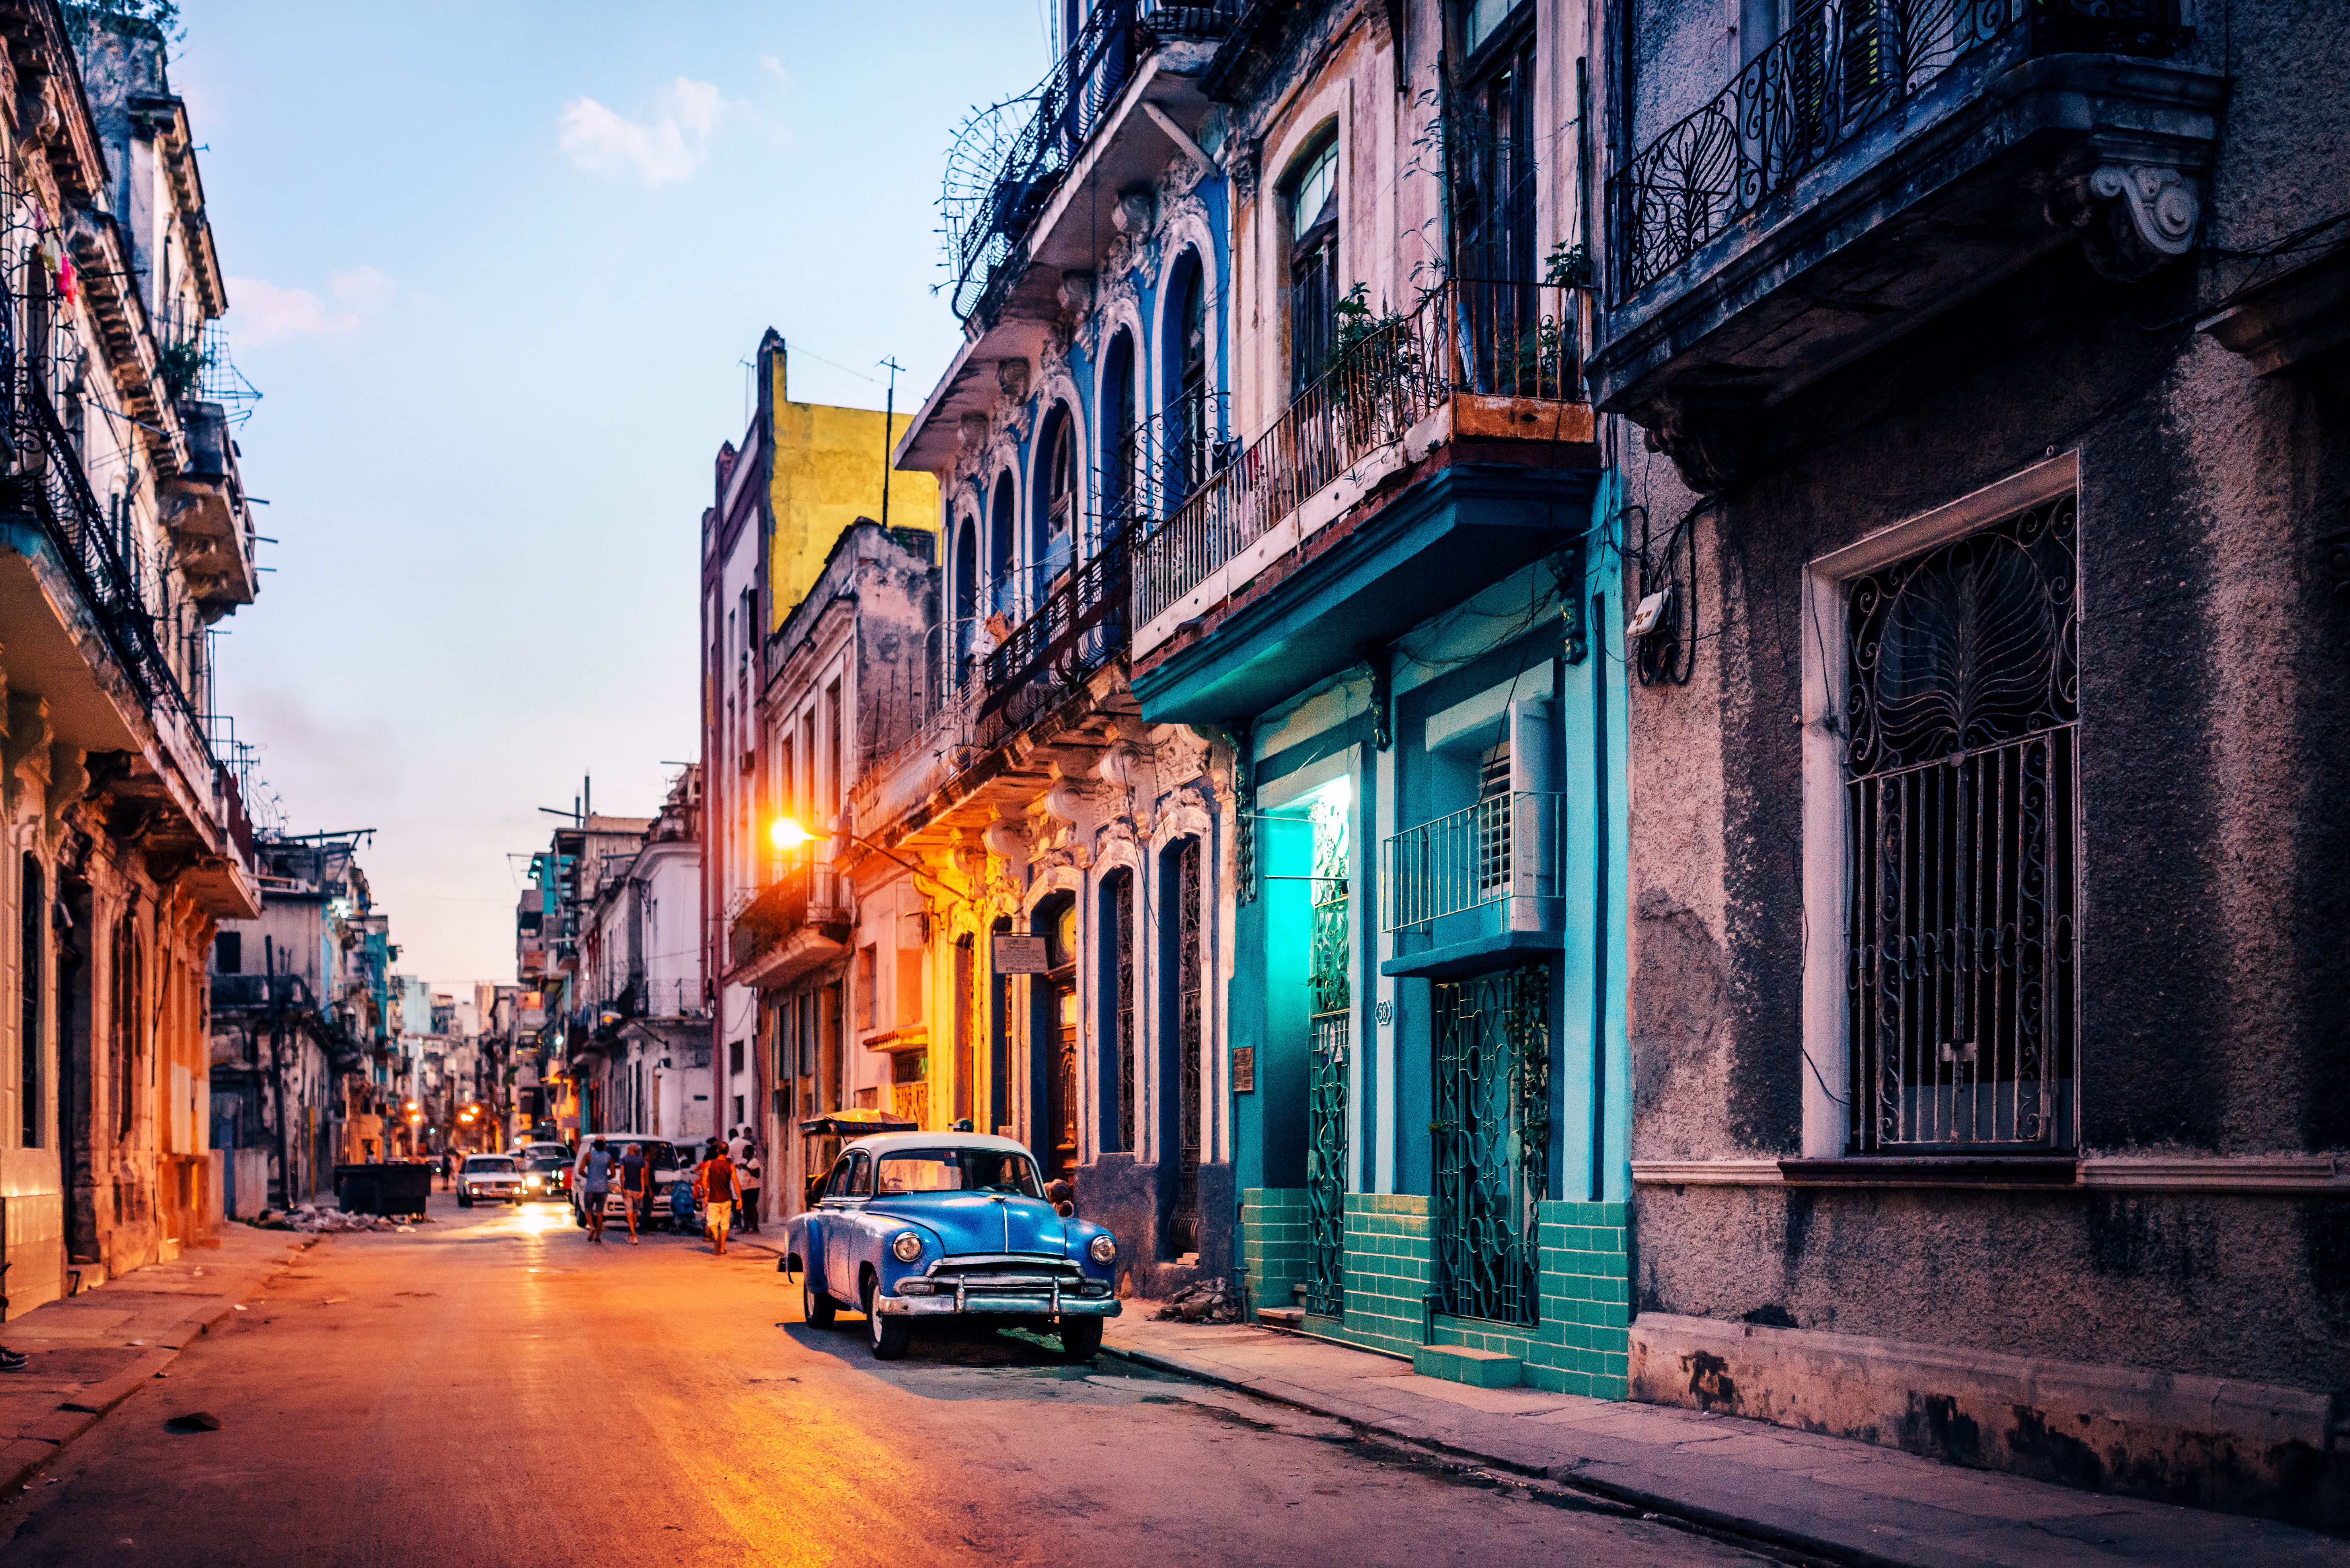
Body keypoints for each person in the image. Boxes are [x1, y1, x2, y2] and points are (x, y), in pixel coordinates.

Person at [696, 1140, 740, 1257]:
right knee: (725, 1224)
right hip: (727, 1199)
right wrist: (740, 1199)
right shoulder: (730, 1166)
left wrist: (706, 1195)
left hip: (713, 1199)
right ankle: (722, 1248)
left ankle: (716, 1237)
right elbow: (736, 1183)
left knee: (712, 1222)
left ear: (717, 1151)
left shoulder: (710, 1164)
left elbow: (705, 1181)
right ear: (728, 1152)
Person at [580, 1138, 614, 1244]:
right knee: (600, 1213)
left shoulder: (588, 1156)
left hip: (590, 1187)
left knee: (588, 1210)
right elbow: (613, 1174)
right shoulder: (609, 1157)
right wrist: (605, 1178)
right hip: (603, 1189)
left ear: (594, 1146)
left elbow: (580, 1170)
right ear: (604, 1146)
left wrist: (588, 1176)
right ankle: (598, 1238)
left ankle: (592, 1226)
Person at [617, 1141, 648, 1245]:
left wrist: (622, 1188)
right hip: (638, 1190)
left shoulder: (624, 1160)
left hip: (627, 1188)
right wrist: (643, 1191)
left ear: (629, 1150)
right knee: (635, 1211)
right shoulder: (641, 1161)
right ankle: (633, 1234)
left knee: (629, 1211)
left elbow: (622, 1175)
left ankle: (633, 1234)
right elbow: (642, 1176)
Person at [737, 1143, 762, 1235]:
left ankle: (755, 1228)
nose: (743, 1152)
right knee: (746, 1208)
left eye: (745, 1151)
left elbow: (757, 1175)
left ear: (750, 1152)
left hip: (752, 1189)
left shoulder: (755, 1162)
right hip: (745, 1189)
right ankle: (746, 1227)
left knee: (752, 1208)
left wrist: (746, 1168)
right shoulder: (747, 1162)